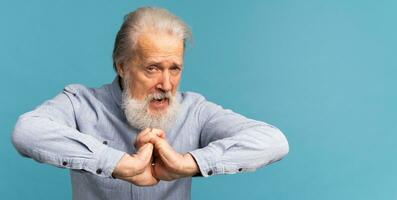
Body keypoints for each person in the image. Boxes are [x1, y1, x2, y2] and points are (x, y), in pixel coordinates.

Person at [11, 7, 289, 200]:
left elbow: (273, 141)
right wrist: (116, 163)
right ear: (122, 66)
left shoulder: (196, 111)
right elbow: (27, 131)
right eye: (152, 68)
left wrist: (189, 163)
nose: (166, 85)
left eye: (175, 69)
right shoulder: (80, 104)